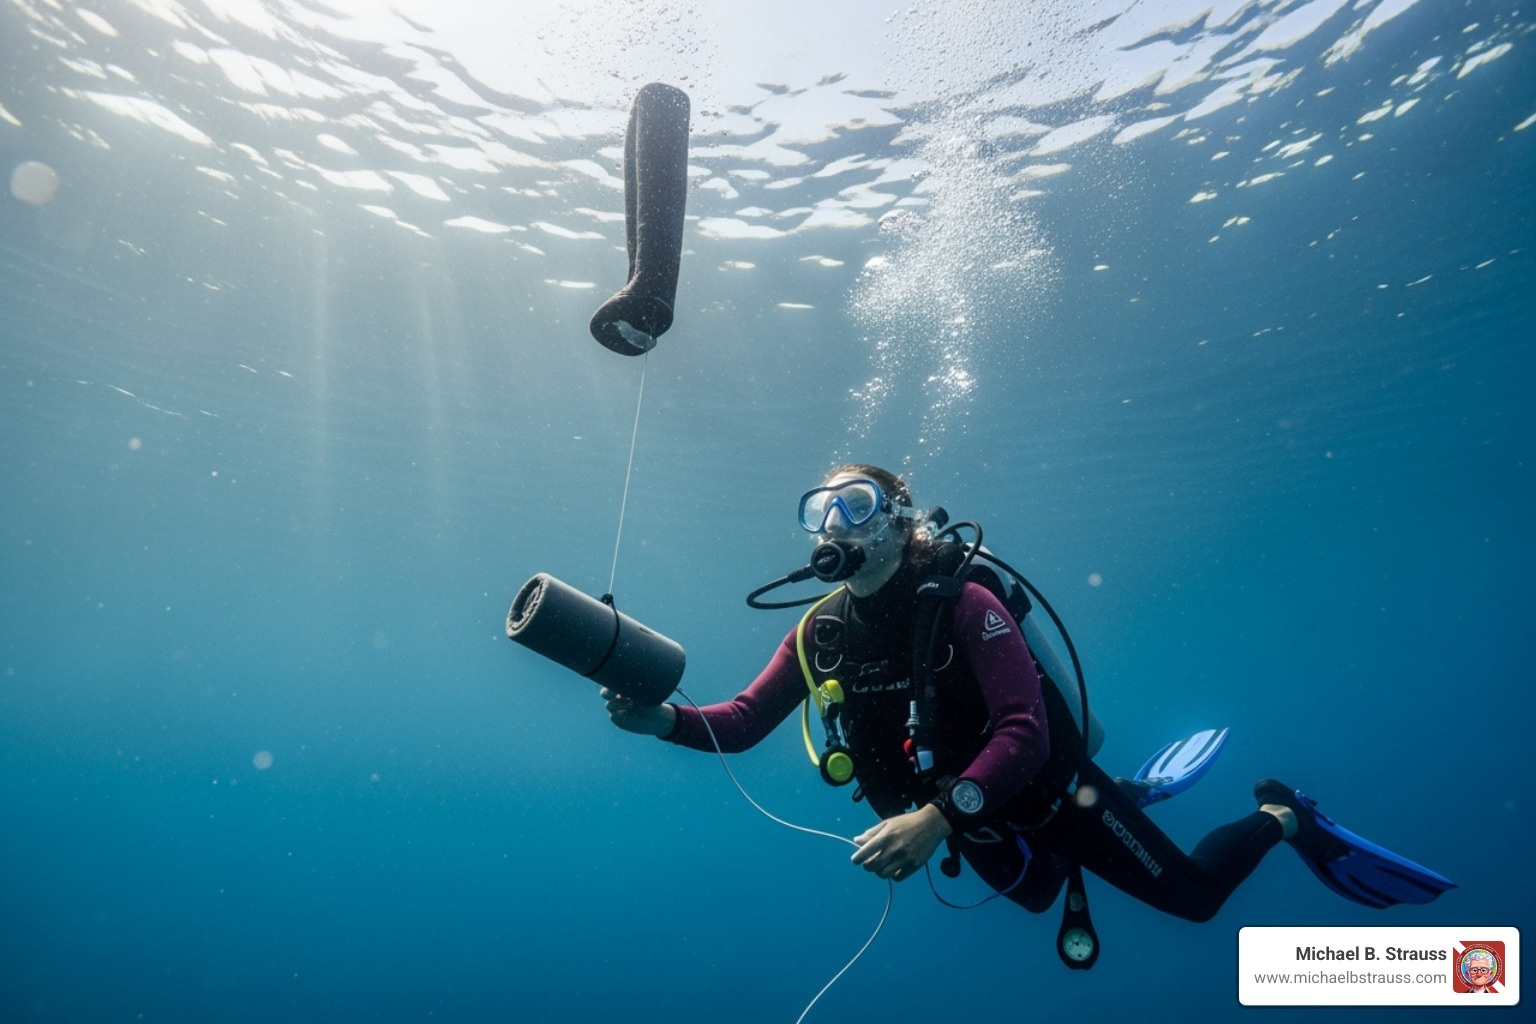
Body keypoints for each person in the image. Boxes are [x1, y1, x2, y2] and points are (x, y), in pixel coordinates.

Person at [601, 463, 1453, 934]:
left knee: (1192, 899)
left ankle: (1282, 814)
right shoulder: (820, 629)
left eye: (855, 505)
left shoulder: (963, 604)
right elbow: (745, 722)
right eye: (819, 510)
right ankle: (1142, 794)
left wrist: (934, 819)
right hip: (969, 813)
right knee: (1044, 896)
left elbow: (1024, 729)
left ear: (899, 521)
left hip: (1045, 792)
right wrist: (660, 720)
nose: (834, 526)